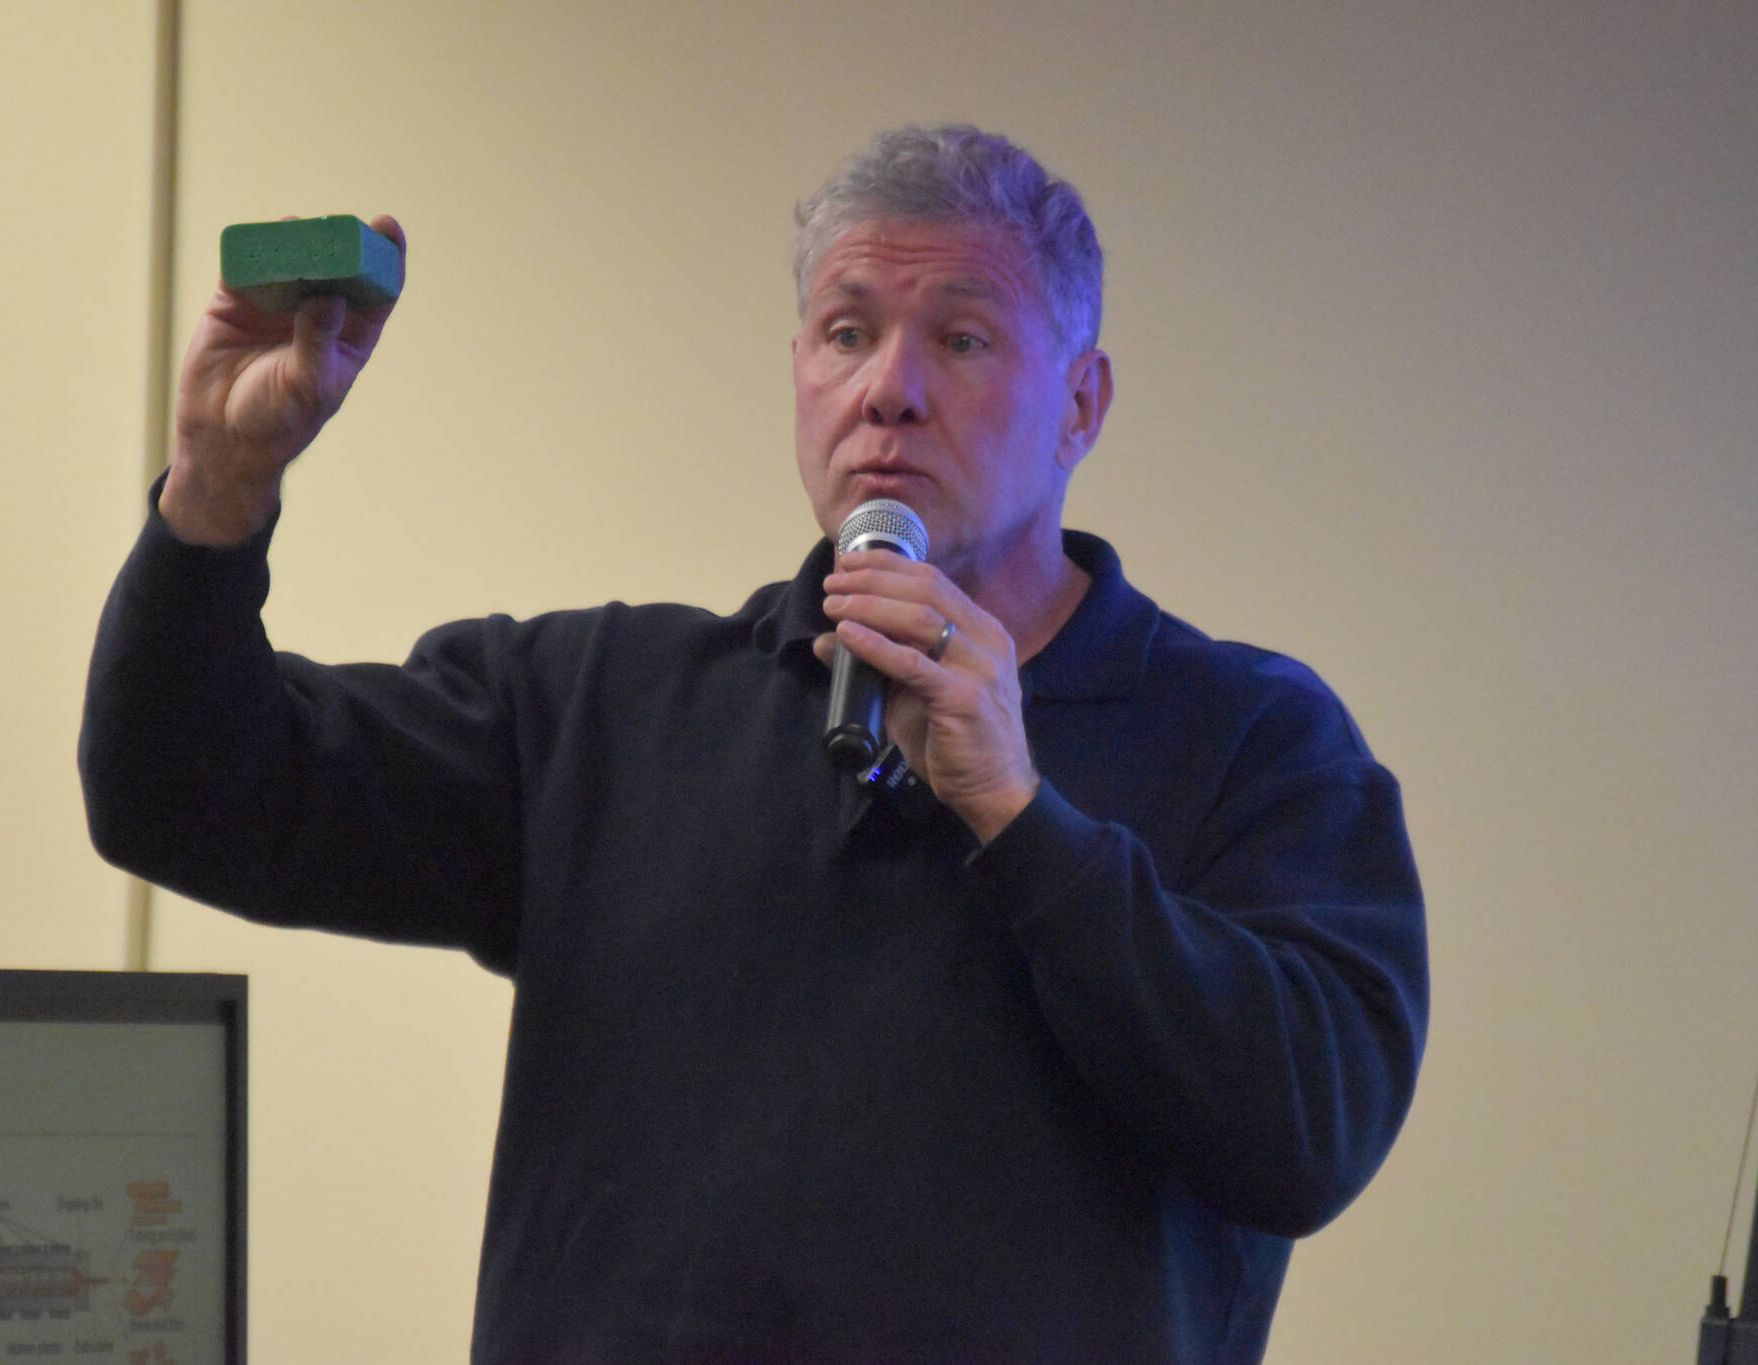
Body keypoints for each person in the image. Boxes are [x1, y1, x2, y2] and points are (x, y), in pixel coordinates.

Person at [81, 124, 1427, 1363]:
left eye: (961, 340)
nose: (889, 389)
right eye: (848, 332)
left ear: (1082, 404)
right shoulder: (597, 706)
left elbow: (1306, 1132)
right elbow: (180, 792)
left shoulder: (1254, 740)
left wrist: (1025, 817)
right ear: (800, 373)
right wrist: (217, 483)